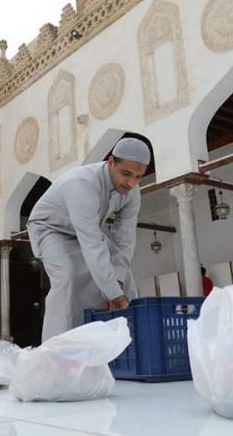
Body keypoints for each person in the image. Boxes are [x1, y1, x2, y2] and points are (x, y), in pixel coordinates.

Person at [27, 137, 150, 341]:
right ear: (111, 162)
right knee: (68, 275)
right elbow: (92, 243)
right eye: (126, 174)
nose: (131, 183)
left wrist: (117, 285)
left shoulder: (132, 192)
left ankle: (127, 343)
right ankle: (56, 349)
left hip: (84, 230)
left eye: (139, 176)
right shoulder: (82, 184)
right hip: (50, 228)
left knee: (124, 275)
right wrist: (115, 296)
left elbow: (124, 240)